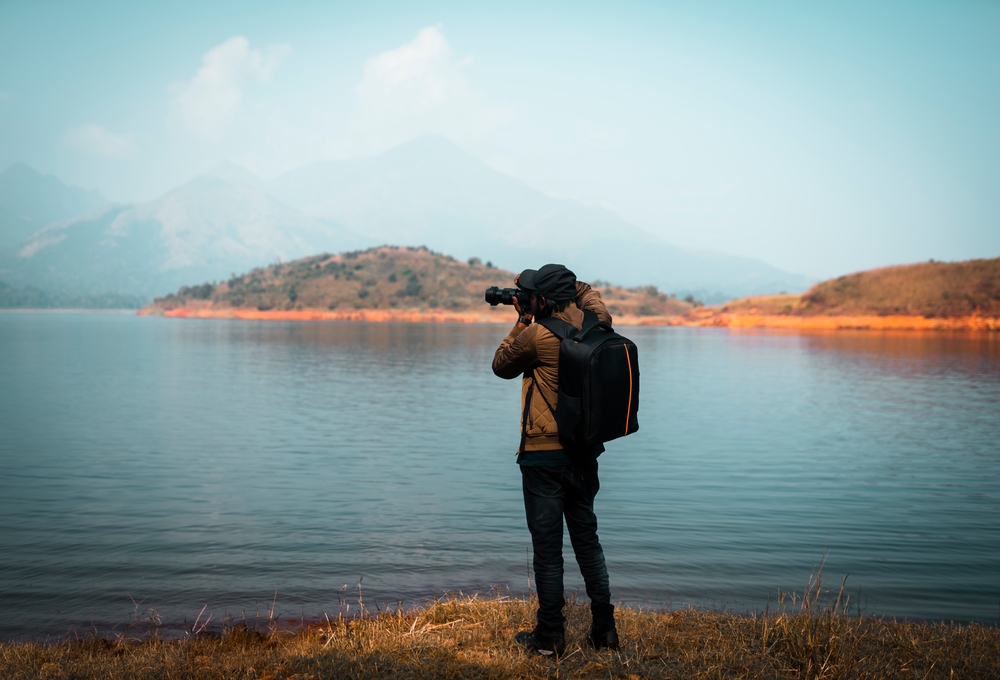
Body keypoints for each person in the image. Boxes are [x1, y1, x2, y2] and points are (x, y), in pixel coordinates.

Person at [492, 263, 619, 656]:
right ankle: (605, 632)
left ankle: (550, 637)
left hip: (544, 458)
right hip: (584, 454)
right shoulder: (597, 324)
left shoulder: (536, 334)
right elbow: (590, 295)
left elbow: (500, 365)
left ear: (541, 299)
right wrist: (565, 287)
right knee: (588, 541)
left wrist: (521, 319)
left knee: (547, 550)